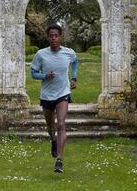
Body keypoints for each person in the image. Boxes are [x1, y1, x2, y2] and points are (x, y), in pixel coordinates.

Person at [30, 23, 78, 173]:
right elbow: (33, 73)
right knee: (51, 127)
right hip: (46, 96)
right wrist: (45, 76)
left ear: (60, 37)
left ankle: (59, 160)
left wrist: (74, 77)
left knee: (61, 124)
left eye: (56, 36)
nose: (53, 38)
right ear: (48, 37)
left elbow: (75, 61)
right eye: (51, 36)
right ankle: (53, 140)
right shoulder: (41, 54)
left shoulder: (69, 53)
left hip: (63, 93)